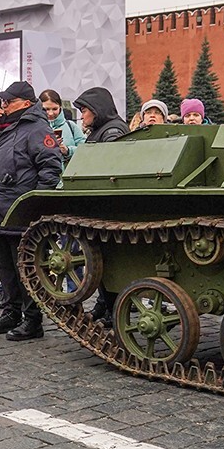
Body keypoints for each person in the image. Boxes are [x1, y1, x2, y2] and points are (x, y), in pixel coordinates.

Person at [0, 81, 63, 342]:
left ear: (24, 103)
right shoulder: (5, 127)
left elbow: (50, 167)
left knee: (26, 268)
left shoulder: (35, 128)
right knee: (6, 269)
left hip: (20, 211)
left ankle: (33, 320)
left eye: (8, 101)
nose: (3, 105)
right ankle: (11, 313)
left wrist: (32, 203)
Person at [73, 86, 130, 322]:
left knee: (110, 263)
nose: (83, 115)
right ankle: (107, 308)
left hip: (108, 206)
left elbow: (111, 166)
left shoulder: (112, 131)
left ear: (96, 110)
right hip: (104, 205)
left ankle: (114, 312)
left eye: (85, 110)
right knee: (104, 264)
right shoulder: (103, 129)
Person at [39, 89, 86, 165]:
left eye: (55, 109)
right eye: (46, 109)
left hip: (69, 174)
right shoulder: (34, 128)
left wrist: (68, 151)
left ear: (60, 107)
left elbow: (85, 150)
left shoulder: (71, 126)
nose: (50, 113)